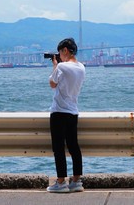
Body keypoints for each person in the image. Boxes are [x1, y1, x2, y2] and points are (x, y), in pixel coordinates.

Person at [46, 37, 86, 193]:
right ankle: (76, 181)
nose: (59, 55)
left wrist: (55, 65)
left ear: (65, 51)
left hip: (59, 112)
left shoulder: (61, 66)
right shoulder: (82, 67)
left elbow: (52, 84)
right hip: (73, 112)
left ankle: (61, 182)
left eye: (60, 52)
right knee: (73, 146)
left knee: (58, 148)